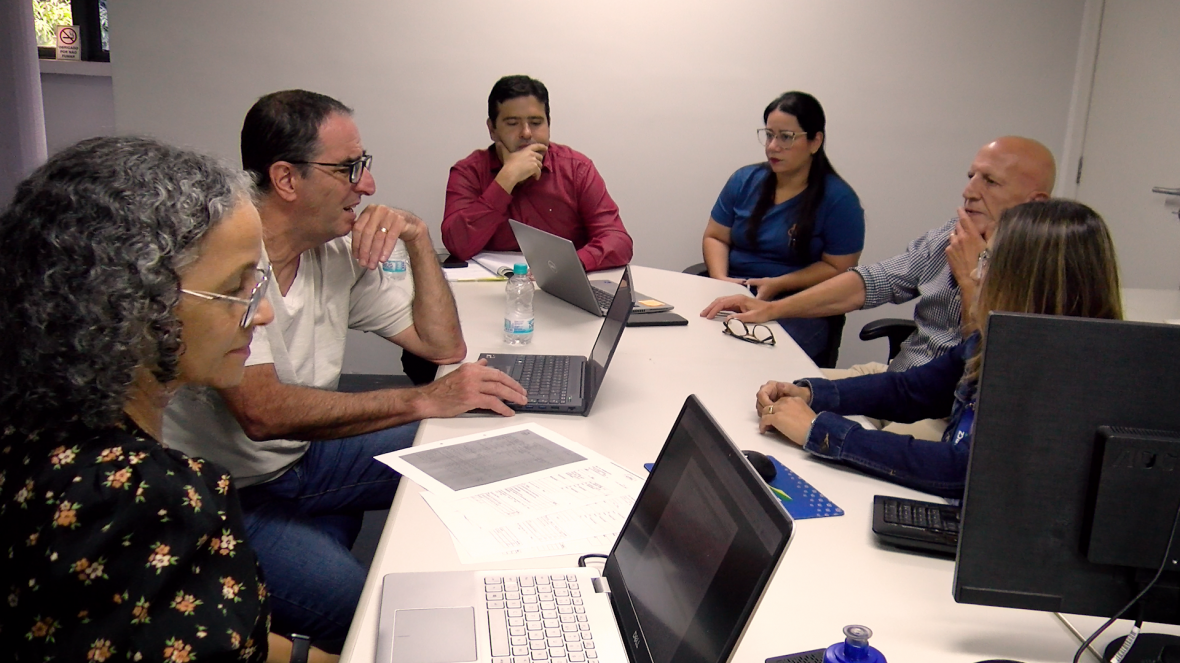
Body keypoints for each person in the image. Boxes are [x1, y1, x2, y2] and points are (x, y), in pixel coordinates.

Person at [163, 90, 528, 647]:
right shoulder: (226, 260)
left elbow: (442, 345)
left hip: (302, 459)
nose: (368, 185)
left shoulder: (331, 252)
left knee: (478, 446)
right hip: (228, 493)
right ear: (286, 179)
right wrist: (421, 399)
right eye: (349, 168)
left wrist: (417, 238)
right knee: (373, 618)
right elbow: (262, 413)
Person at [0, 136, 334, 661]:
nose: (264, 312)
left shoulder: (33, 420)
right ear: (127, 304)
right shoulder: (142, 497)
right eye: (236, 287)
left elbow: (204, 628)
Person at [753, 199, 1122, 498]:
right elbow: (912, 389)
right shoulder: (1004, 341)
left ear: (1029, 282)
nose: (975, 274)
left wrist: (819, 430)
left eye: (987, 260)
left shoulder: (1063, 382)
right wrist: (812, 394)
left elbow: (960, 469)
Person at [702, 136, 1057, 373]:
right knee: (770, 389)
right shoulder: (950, 235)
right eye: (971, 176)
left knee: (805, 423)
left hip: (944, 408)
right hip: (896, 378)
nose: (969, 191)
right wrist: (771, 309)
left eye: (990, 182)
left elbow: (990, 369)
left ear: (1035, 203)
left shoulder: (1047, 269)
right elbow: (873, 281)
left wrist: (969, 278)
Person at [702, 91, 865, 367]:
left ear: (815, 141)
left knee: (750, 360)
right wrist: (720, 278)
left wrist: (777, 284)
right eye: (769, 135)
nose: (772, 147)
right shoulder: (744, 180)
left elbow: (839, 269)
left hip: (798, 303)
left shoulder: (839, 200)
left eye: (786, 137)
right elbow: (715, 236)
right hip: (734, 287)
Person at [441, 75, 634, 272]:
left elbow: (618, 241)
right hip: (487, 286)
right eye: (512, 123)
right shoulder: (468, 172)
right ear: (492, 129)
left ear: (548, 124)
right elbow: (457, 245)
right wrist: (506, 180)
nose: (526, 133)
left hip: (561, 281)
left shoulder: (577, 169)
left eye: (535, 122)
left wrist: (566, 265)